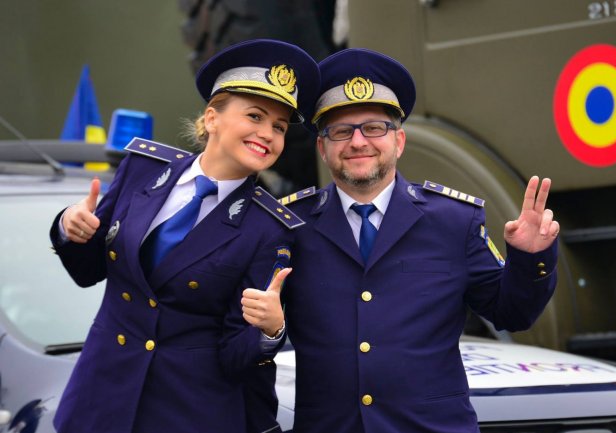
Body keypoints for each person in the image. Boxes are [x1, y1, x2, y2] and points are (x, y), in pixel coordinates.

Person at [242, 48, 560, 432]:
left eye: (374, 128)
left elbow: (512, 314)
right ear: (323, 147)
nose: (358, 142)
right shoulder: (290, 223)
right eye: (341, 131)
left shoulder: (453, 221)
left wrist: (530, 258)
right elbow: (250, 336)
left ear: (400, 141)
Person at [49, 39, 319, 433]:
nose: (268, 134)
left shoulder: (269, 228)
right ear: (212, 118)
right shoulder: (141, 168)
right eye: (256, 116)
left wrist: (269, 330)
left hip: (188, 412)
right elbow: (87, 271)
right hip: (100, 399)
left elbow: (234, 354)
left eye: (279, 127)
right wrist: (69, 226)